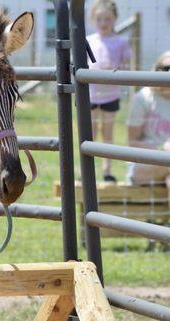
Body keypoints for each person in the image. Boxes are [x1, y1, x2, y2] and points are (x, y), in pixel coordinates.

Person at [87, 0, 131, 182]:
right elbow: (81, 65)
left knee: (107, 134)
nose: (103, 23)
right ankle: (87, 171)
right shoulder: (88, 41)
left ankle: (107, 171)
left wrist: (114, 69)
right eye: (99, 19)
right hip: (90, 95)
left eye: (107, 19)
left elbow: (127, 67)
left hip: (111, 96)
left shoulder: (121, 42)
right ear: (93, 19)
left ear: (115, 19)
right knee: (89, 134)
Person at [126, 51, 170, 203]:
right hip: (146, 163)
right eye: (165, 68)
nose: (169, 73)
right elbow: (132, 142)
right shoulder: (143, 97)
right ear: (156, 70)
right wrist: (161, 150)